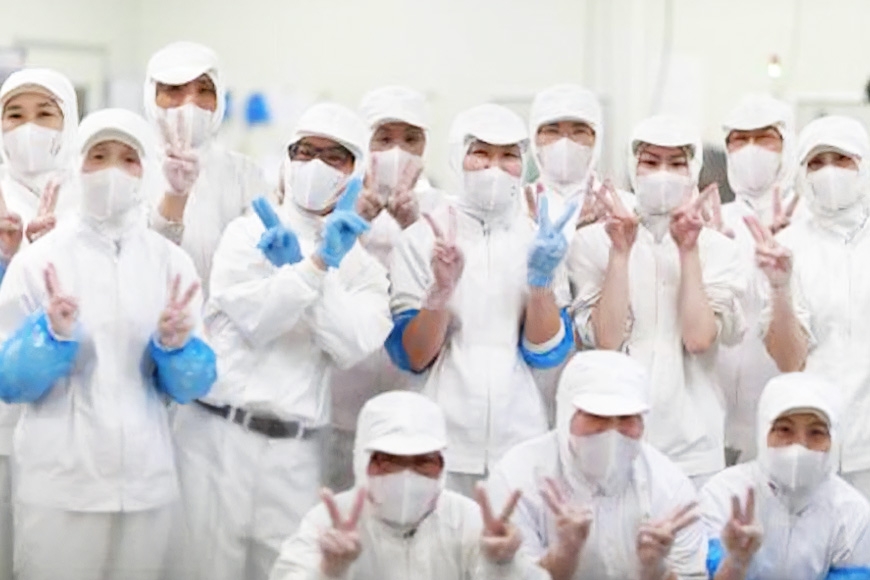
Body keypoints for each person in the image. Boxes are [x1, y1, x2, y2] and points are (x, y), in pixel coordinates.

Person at [172, 102, 392, 580]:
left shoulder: (365, 270)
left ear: (355, 173)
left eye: (333, 157)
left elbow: (350, 345)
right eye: (305, 152)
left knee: (287, 569)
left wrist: (312, 269)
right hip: (216, 436)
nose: (315, 166)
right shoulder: (249, 231)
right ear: (288, 159)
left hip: (295, 452)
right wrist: (315, 269)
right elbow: (261, 321)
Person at [0, 107, 216, 580]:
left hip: (145, 483)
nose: (112, 171)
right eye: (98, 156)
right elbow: (9, 382)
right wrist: (51, 337)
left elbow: (192, 385)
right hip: (61, 484)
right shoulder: (40, 262)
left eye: (127, 159)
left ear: (145, 171)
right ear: (76, 165)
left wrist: (175, 347)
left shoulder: (170, 264)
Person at [386, 103, 575, 496]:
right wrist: (439, 294)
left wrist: (541, 282)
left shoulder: (540, 240)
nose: (494, 168)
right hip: (439, 437)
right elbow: (414, 356)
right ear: (457, 157)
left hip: (520, 436)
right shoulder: (423, 238)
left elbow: (545, 353)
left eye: (508, 156)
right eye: (481, 154)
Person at [568, 114, 745, 488]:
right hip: (614, 434)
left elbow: (699, 339)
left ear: (693, 170)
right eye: (650, 162)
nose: (663, 174)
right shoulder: (593, 243)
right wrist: (619, 253)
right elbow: (607, 341)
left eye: (676, 163)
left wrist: (689, 250)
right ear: (633, 167)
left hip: (694, 446)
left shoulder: (719, 250)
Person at [269, 390, 549, 580]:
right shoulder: (329, 524)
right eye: (389, 461)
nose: (406, 476)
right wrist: (328, 571)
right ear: (362, 461)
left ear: (443, 463)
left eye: (423, 461)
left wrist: (503, 565)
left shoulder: (468, 521)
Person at [488, 350, 708, 579]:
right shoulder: (517, 479)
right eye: (597, 416)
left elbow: (691, 574)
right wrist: (564, 555)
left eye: (626, 418)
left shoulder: (669, 487)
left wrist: (655, 571)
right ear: (566, 415)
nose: (612, 432)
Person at [325, 86, 443, 493]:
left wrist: (416, 228)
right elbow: (317, 279)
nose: (397, 151)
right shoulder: (332, 201)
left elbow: (446, 290)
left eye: (410, 140)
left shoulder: (441, 208)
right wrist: (354, 225)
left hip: (412, 391)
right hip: (341, 392)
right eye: (384, 138)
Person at [751, 115, 870, 499]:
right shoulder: (787, 247)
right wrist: (780, 287)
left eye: (841, 159)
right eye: (817, 163)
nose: (829, 172)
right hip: (813, 440)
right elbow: (789, 361)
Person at [0, 66, 81, 580]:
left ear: (68, 120)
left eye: (44, 113)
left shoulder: (91, 194)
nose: (28, 127)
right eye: (14, 115)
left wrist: (47, 257)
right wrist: (7, 262)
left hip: (68, 413)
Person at [701, 373, 870, 578]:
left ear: (834, 440)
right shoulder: (723, 493)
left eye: (816, 433)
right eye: (784, 429)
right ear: (763, 432)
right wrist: (736, 562)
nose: (799, 446)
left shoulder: (851, 512)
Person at [143, 41, 267, 295]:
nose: (190, 102)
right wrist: (173, 200)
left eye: (204, 90)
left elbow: (255, 262)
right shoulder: (134, 166)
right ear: (151, 97)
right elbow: (139, 261)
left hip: (229, 315)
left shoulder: (244, 173)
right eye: (174, 89)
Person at [714, 94, 798, 464]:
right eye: (739, 140)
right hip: (715, 409)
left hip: (787, 407)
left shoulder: (807, 223)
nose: (750, 150)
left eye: (764, 139)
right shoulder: (712, 221)